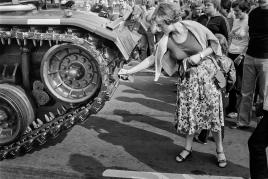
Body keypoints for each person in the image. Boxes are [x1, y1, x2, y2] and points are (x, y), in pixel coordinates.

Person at [118, 3, 227, 168]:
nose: (159, 28)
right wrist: (129, 71)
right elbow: (152, 59)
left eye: (161, 24)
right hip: (188, 81)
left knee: (213, 116)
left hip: (209, 77)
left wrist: (200, 55)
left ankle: (220, 150)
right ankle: (188, 148)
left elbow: (215, 43)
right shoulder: (166, 41)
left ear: (168, 20)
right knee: (190, 116)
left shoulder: (193, 26)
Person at [231, 0, 268, 130]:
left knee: (264, 94)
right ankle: (242, 122)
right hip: (250, 55)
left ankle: (262, 126)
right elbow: (250, 35)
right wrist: (244, 54)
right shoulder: (253, 13)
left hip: (266, 59)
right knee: (246, 92)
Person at [196, 0, 230, 144]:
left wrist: (223, 62)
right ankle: (203, 134)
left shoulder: (221, 20)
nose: (205, 7)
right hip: (202, 60)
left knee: (218, 98)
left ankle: (218, 136)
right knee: (205, 99)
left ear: (215, 6)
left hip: (217, 63)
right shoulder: (201, 19)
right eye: (204, 4)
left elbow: (225, 40)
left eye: (208, 5)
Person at [226, 0, 250, 120]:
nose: (234, 13)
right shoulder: (235, 20)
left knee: (239, 84)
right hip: (231, 53)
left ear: (245, 10)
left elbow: (251, 40)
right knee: (230, 81)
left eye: (237, 11)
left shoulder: (249, 21)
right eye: (233, 11)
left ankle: (236, 110)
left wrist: (242, 55)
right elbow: (231, 36)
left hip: (241, 56)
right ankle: (230, 107)